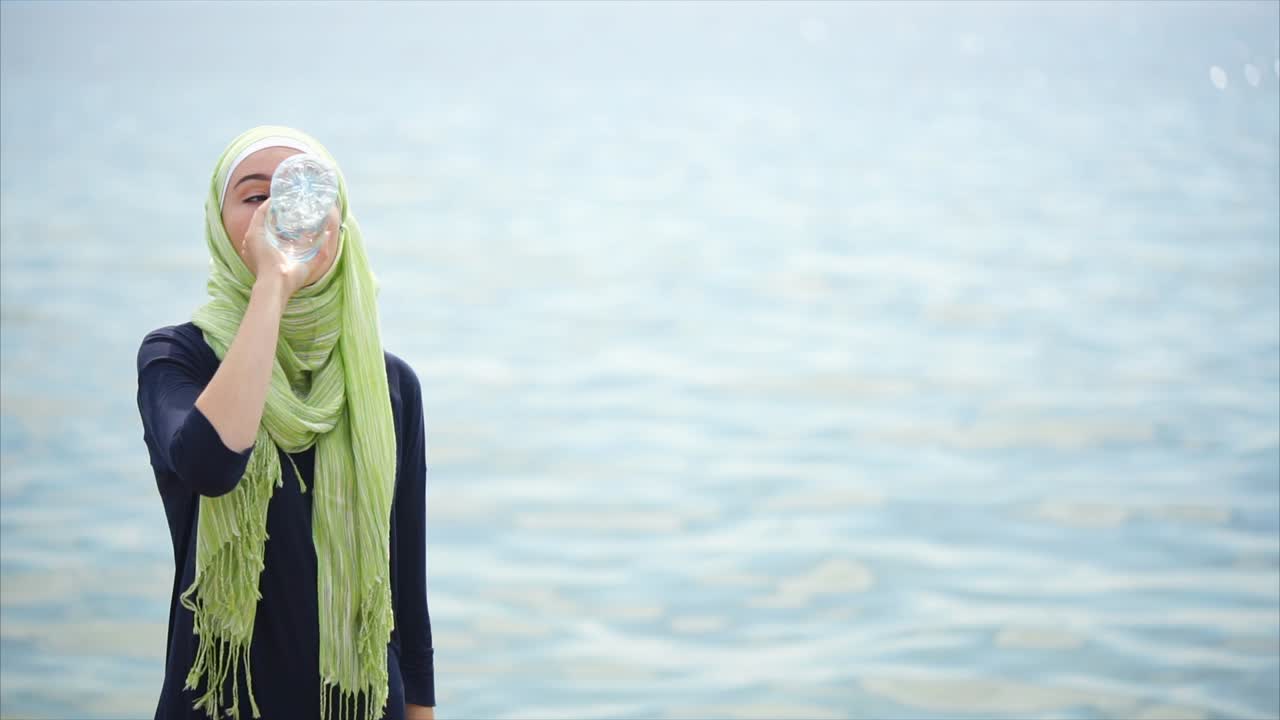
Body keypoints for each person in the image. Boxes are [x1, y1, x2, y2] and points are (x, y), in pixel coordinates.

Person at [136, 126, 435, 720]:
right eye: (254, 198)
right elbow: (212, 464)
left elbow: (407, 591)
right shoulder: (178, 358)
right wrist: (271, 283)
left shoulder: (389, 384)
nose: (281, 213)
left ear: (338, 226)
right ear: (219, 227)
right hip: (219, 703)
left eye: (303, 195)